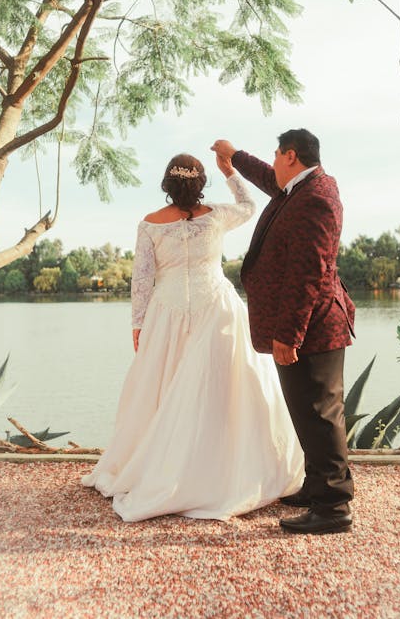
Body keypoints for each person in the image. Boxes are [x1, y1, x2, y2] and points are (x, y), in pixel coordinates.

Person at [82, 152, 304, 521]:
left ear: (167, 185)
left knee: (164, 388)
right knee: (222, 389)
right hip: (215, 309)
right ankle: (222, 466)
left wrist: (138, 324)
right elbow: (249, 205)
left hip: (166, 314)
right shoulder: (216, 216)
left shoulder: (149, 224)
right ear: (200, 184)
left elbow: (142, 280)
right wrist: (231, 173)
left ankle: (166, 467)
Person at [211, 130, 355, 535]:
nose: (272, 161)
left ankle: (333, 507)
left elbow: (309, 273)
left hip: (313, 328)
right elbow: (266, 177)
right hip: (303, 325)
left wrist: (288, 335)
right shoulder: (299, 186)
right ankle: (316, 486)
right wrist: (233, 156)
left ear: (291, 156)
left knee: (320, 413)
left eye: (276, 155)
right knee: (307, 411)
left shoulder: (317, 198)